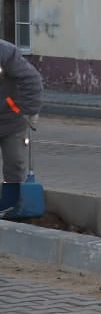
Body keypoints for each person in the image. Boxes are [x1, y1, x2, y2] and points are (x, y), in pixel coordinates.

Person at [0, 38, 43, 200]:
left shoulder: (5, 52)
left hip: (11, 121)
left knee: (14, 165)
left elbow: (31, 79)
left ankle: (11, 204)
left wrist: (31, 111)